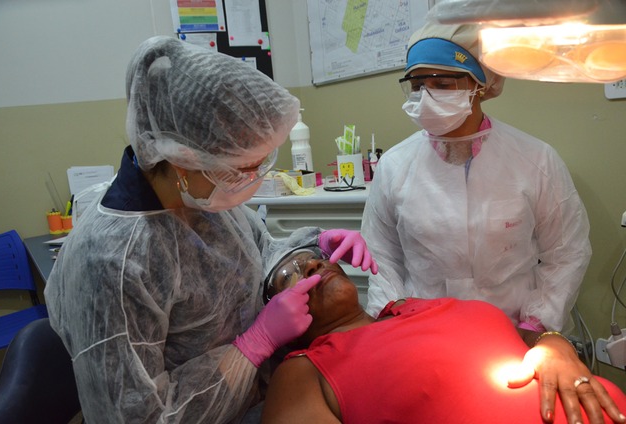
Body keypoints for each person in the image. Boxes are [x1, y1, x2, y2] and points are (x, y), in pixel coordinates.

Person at [44, 36, 377, 424]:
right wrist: (255, 344)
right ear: (183, 160)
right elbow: (137, 416)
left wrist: (309, 246)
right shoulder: (113, 262)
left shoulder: (205, 198)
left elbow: (258, 252)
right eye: (243, 167)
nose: (253, 178)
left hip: (255, 395)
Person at [360, 21, 598, 423]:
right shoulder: (395, 166)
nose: (427, 96)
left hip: (514, 334)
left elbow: (567, 251)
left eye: (443, 83)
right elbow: (380, 255)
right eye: (417, 85)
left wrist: (536, 327)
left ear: (481, 84)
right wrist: (393, 319)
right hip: (421, 335)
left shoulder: (534, 159)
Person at [260, 248, 626, 424]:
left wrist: (554, 343)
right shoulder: (303, 371)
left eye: (314, 256)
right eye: (287, 276)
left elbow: (530, 338)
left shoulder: (413, 305)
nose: (312, 264)